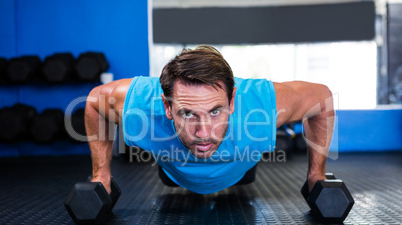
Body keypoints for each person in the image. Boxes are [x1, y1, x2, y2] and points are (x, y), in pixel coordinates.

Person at [85, 45, 334, 195]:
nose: (203, 133)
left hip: (239, 170)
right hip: (174, 174)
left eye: (215, 111)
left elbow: (321, 97)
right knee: (169, 171)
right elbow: (95, 101)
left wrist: (316, 175)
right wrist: (101, 175)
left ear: (233, 101)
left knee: (245, 169)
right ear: (167, 107)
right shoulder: (141, 104)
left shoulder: (262, 104)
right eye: (187, 113)